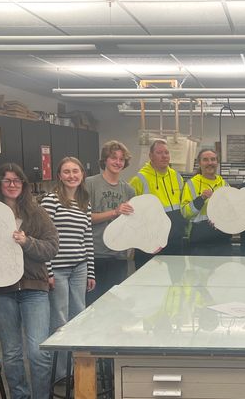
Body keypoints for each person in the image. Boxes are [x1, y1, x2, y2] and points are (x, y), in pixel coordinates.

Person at [0, 164, 59, 399]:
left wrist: (27, 242)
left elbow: (52, 246)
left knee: (38, 352)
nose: (12, 184)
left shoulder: (35, 213)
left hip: (33, 288)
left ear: (24, 184)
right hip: (0, 291)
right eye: (7, 180)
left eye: (17, 180)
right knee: (12, 354)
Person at [40, 157, 95, 333]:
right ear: (59, 176)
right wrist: (48, 272)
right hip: (57, 269)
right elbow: (43, 237)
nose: (72, 175)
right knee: (60, 320)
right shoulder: (51, 200)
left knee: (80, 315)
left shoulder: (84, 203)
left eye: (75, 171)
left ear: (82, 174)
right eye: (66, 172)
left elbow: (87, 238)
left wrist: (91, 271)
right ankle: (61, 361)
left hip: (80, 267)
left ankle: (76, 360)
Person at [86, 141, 135, 304]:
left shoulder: (128, 190)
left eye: (121, 159)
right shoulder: (90, 184)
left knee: (114, 306)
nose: (118, 162)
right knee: (92, 305)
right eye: (113, 158)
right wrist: (114, 212)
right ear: (105, 160)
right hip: (95, 254)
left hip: (118, 256)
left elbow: (132, 225)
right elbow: (85, 218)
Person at [129, 139, 186, 267]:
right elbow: (130, 214)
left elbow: (183, 205)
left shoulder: (177, 176)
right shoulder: (139, 179)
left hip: (175, 240)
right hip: (150, 243)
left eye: (166, 152)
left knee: (176, 282)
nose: (164, 156)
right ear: (150, 156)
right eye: (159, 152)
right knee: (150, 282)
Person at [181, 149, 232, 256]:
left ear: (217, 162)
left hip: (222, 241)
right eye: (205, 160)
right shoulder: (191, 184)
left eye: (213, 159)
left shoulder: (225, 185)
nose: (210, 163)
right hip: (199, 242)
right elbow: (185, 213)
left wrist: (221, 218)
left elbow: (232, 212)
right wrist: (201, 199)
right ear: (199, 163)